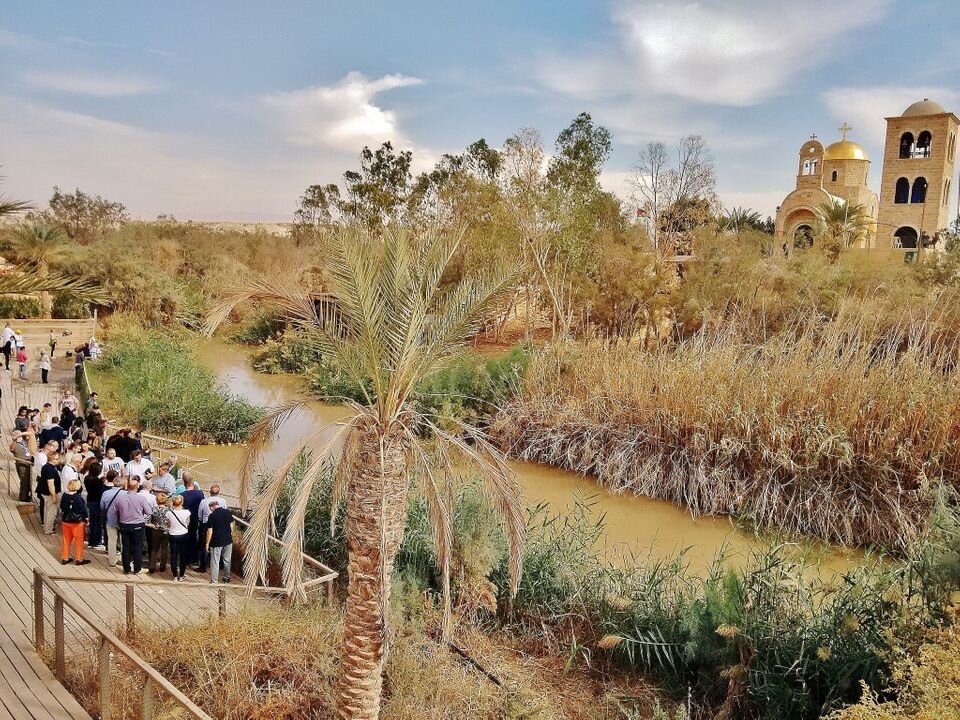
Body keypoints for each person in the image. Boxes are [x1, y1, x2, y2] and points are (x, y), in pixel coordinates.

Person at [114, 478, 153, 575]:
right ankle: (137, 568)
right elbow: (149, 512)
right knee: (137, 547)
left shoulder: (120, 498)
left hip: (124, 524)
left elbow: (115, 510)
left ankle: (126, 568)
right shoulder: (141, 498)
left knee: (126, 547)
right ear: (137, 487)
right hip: (137, 524)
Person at [59, 479, 90, 566]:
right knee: (79, 541)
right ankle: (79, 559)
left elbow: (62, 506)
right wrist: (86, 518)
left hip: (66, 520)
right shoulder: (78, 497)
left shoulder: (64, 495)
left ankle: (65, 557)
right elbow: (82, 510)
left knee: (66, 540)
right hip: (77, 522)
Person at [205, 499, 234, 584]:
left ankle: (214, 580)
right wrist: (230, 535)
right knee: (227, 560)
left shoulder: (212, 516)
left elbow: (210, 531)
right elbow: (232, 526)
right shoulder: (227, 512)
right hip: (228, 539)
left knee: (215, 561)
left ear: (211, 507)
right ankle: (226, 577)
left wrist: (207, 544)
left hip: (216, 541)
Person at [195, 483, 222, 572]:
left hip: (205, 524)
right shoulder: (223, 501)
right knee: (217, 544)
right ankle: (218, 564)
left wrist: (201, 523)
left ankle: (203, 566)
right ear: (219, 492)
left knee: (204, 545)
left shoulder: (204, 501)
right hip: (218, 524)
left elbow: (199, 514)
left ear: (210, 491)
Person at [179, 473, 204, 566]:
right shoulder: (200, 493)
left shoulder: (182, 495)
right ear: (193, 481)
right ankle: (195, 558)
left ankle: (187, 559)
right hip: (197, 518)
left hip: (185, 519)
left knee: (186, 538)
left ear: (183, 482)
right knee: (194, 537)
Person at [100, 471, 123, 566]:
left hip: (110, 520)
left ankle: (112, 561)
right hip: (123, 520)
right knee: (123, 541)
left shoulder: (106, 493)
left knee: (112, 541)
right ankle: (123, 559)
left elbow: (102, 506)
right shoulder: (125, 494)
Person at [166, 495, 191, 581]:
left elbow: (169, 525)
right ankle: (182, 574)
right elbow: (187, 523)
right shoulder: (187, 512)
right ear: (182, 502)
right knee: (183, 555)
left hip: (173, 534)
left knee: (173, 555)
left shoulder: (169, 513)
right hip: (183, 534)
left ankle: (175, 576)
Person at [37, 451, 62, 535]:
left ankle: (46, 528)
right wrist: (54, 495)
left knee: (47, 511)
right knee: (51, 512)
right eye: (57, 459)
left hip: (46, 493)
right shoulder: (50, 469)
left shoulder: (46, 467)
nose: (58, 460)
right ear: (53, 459)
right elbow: (50, 483)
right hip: (50, 494)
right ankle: (48, 530)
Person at [84, 459, 106, 548]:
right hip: (97, 501)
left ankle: (91, 540)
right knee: (97, 522)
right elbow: (100, 491)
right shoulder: (98, 481)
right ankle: (97, 540)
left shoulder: (87, 478)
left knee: (92, 521)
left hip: (90, 500)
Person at [147, 493, 170, 574]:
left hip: (155, 530)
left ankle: (152, 566)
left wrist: (153, 525)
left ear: (156, 500)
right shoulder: (169, 510)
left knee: (154, 549)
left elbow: (146, 521)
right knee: (164, 548)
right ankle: (162, 566)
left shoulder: (153, 509)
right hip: (166, 531)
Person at [10, 430, 33, 502]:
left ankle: (27, 497)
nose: (18, 435)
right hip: (22, 464)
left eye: (19, 434)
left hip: (29, 463)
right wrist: (14, 440)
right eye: (16, 434)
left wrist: (21, 434)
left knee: (29, 482)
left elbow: (30, 433)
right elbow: (11, 449)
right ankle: (23, 498)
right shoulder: (14, 444)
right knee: (24, 482)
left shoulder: (23, 441)